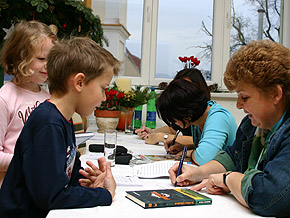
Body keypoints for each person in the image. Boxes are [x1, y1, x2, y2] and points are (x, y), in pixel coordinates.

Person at [0, 37, 120, 218]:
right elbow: (51, 197)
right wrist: (104, 194)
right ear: (79, 82)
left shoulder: (63, 119)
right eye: (103, 88)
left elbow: (67, 179)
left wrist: (87, 183)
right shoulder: (48, 123)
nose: (104, 98)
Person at [168, 40, 290, 217]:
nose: (239, 105)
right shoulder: (252, 125)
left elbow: (268, 196)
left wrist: (228, 178)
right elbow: (233, 156)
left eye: (245, 97)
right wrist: (197, 173)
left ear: (275, 94)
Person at [0, 20, 57, 186]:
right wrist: (29, 164)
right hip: (12, 190)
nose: (47, 65)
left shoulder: (48, 98)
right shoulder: (5, 98)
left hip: (39, 187)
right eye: (40, 58)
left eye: (51, 59)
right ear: (19, 57)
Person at [135, 68, 210, 149]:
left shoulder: (208, 114)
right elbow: (173, 129)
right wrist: (153, 132)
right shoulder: (183, 113)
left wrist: (163, 137)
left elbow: (204, 142)